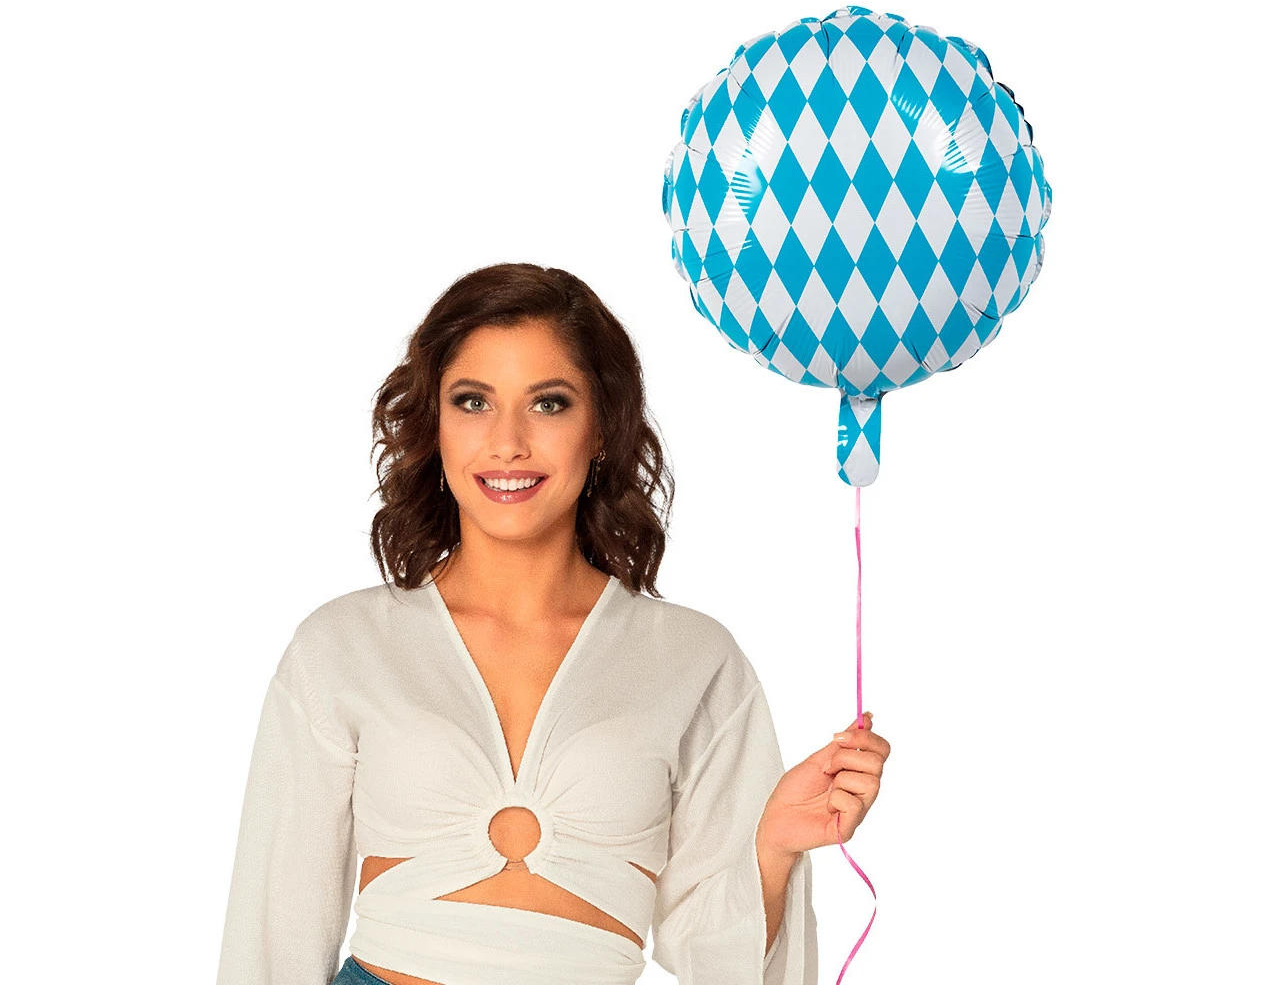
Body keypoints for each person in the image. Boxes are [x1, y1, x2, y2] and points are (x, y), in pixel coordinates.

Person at [214, 262, 891, 985]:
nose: (507, 441)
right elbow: (274, 925)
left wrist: (774, 847)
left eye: (549, 403)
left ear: (601, 428)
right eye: (473, 401)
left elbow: (712, 953)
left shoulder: (695, 659)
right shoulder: (343, 645)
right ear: (434, 426)